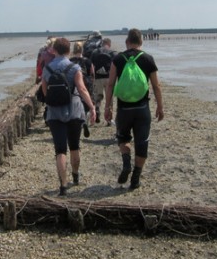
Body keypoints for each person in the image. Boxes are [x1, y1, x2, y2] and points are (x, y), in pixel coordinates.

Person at [104, 28, 164, 191]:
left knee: (123, 139)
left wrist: (107, 107)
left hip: (124, 109)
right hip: (142, 108)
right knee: (142, 142)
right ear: (141, 42)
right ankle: (135, 178)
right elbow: (156, 86)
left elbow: (110, 84)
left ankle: (126, 163)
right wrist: (160, 106)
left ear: (127, 42)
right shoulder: (148, 59)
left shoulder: (118, 59)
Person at [41, 37, 96, 196]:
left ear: (55, 50)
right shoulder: (75, 67)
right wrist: (92, 107)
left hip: (55, 113)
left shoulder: (48, 68)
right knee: (74, 146)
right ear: (69, 51)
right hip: (74, 110)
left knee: (60, 150)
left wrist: (52, 102)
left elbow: (45, 91)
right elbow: (82, 89)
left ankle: (63, 185)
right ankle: (75, 175)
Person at [70, 40, 95, 138]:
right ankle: (84, 120)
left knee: (76, 102)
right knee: (86, 104)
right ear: (82, 50)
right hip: (86, 84)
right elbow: (92, 73)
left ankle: (78, 120)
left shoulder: (70, 61)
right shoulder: (87, 61)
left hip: (74, 85)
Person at [89, 37, 115, 124]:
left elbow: (91, 65)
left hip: (98, 78)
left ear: (102, 43)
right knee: (109, 99)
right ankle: (109, 119)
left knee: (97, 97)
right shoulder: (111, 53)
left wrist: (92, 76)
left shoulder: (95, 52)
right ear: (109, 44)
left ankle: (97, 110)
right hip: (109, 78)